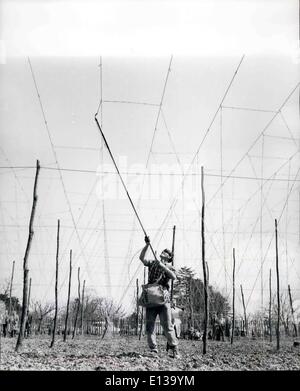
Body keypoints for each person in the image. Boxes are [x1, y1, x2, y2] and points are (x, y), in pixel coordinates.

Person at [139, 235, 181, 358]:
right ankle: (153, 349)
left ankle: (174, 349)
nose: (163, 253)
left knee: (167, 326)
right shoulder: (152, 263)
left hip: (163, 300)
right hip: (151, 298)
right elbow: (141, 258)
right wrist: (147, 245)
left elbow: (173, 277)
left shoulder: (169, 267)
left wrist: (162, 266)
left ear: (169, 258)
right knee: (150, 326)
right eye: (163, 251)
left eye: (166, 253)